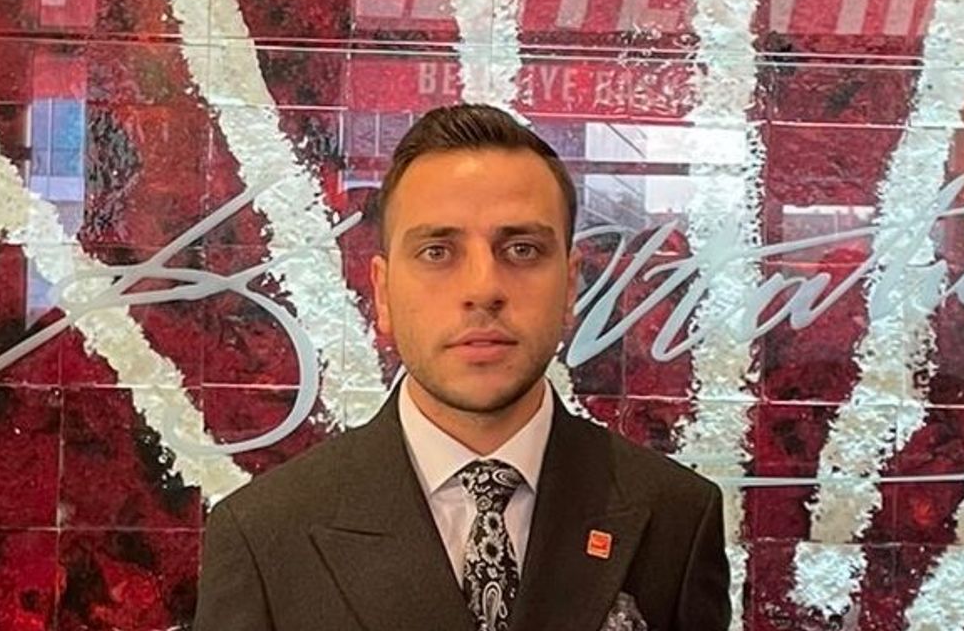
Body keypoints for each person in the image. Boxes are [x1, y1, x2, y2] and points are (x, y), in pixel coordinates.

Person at [192, 103, 731, 631]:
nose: (483, 288)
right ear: (383, 292)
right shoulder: (264, 537)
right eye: (437, 251)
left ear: (569, 287)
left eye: (522, 250)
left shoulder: (677, 518)